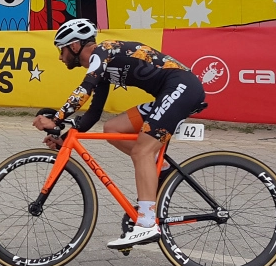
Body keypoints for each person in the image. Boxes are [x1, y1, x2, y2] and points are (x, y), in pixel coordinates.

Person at [32, 19, 206, 248]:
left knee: (142, 150)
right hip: (170, 92)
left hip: (181, 87)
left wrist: (56, 119)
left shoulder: (103, 51)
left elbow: (83, 90)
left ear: (75, 46)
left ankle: (146, 223)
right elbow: (92, 115)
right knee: (112, 128)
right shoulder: (103, 68)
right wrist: (64, 139)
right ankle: (161, 170)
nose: (60, 57)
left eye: (61, 50)